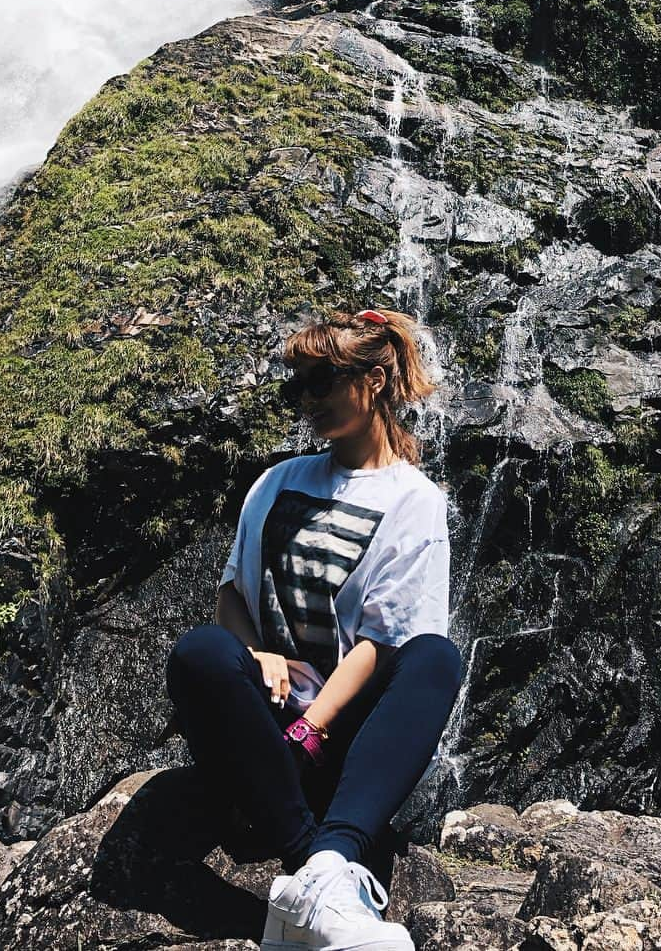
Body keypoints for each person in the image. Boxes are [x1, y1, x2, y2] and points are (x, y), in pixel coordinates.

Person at [166, 307, 463, 951]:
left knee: (436, 656)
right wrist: (257, 653)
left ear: (375, 380)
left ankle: (328, 860)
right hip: (261, 730)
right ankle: (314, 871)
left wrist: (312, 728)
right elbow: (229, 592)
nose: (309, 400)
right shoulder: (278, 481)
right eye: (299, 385)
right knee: (201, 651)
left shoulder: (414, 501)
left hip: (342, 739)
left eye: (324, 380)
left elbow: (382, 643)